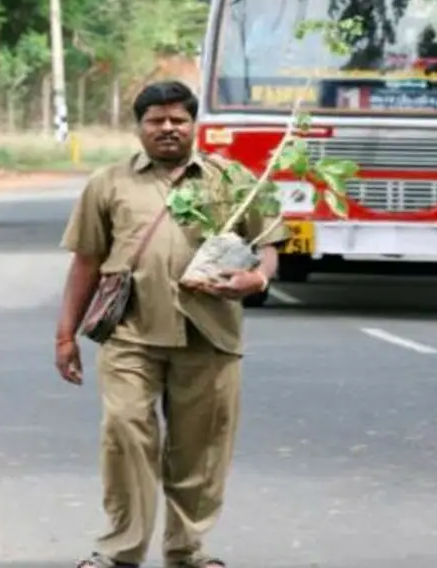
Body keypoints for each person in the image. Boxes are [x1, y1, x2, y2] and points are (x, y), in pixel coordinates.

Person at [55, 80, 289, 568]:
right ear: (139, 127)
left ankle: (189, 552)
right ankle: (119, 553)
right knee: (124, 434)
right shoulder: (109, 183)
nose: (167, 129)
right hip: (130, 336)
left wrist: (256, 278)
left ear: (193, 124)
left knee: (200, 452)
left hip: (210, 337)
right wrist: (65, 336)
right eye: (156, 120)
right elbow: (86, 263)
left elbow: (268, 245)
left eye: (177, 120)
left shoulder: (233, 180)